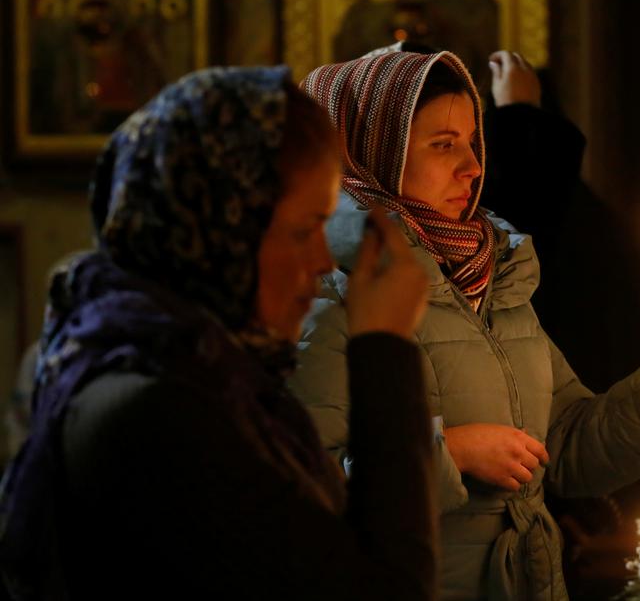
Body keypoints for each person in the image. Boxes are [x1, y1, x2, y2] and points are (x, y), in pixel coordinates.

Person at [293, 44, 640, 600]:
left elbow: (562, 447)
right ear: (375, 152)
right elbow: (309, 488)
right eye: (443, 145)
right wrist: (452, 453)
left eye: (475, 143)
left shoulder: (493, 274)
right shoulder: (330, 290)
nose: (473, 168)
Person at [0, 67, 437, 601]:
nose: (321, 260)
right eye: (302, 231)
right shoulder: (156, 412)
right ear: (224, 226)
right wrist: (384, 348)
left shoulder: (214, 371)